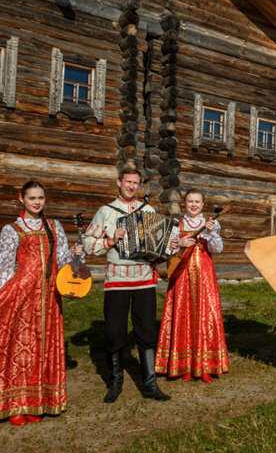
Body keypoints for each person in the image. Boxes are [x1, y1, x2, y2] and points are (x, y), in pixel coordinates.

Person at [0, 181, 83, 426]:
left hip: (49, 299)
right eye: (32, 198)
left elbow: (62, 262)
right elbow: (4, 268)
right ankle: (16, 406)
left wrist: (75, 255)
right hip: (21, 298)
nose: (37, 202)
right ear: (21, 198)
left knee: (42, 350)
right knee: (21, 352)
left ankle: (39, 401)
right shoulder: (12, 229)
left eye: (41, 197)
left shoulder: (54, 226)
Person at [83, 168, 170, 402]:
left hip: (144, 279)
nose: (132, 186)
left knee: (146, 331)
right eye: (128, 182)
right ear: (119, 182)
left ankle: (150, 384)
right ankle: (115, 382)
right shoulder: (106, 212)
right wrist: (111, 240)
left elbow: (159, 246)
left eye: (136, 183)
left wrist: (169, 246)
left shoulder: (148, 210)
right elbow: (87, 244)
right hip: (117, 280)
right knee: (114, 332)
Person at [156, 189, 229, 383]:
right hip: (182, 274)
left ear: (203, 204)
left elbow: (217, 249)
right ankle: (183, 365)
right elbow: (166, 250)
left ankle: (205, 366)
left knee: (205, 315)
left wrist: (212, 233)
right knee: (183, 314)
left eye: (197, 201)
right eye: (190, 201)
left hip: (205, 275)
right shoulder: (177, 224)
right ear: (184, 204)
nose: (194, 205)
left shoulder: (211, 224)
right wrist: (179, 242)